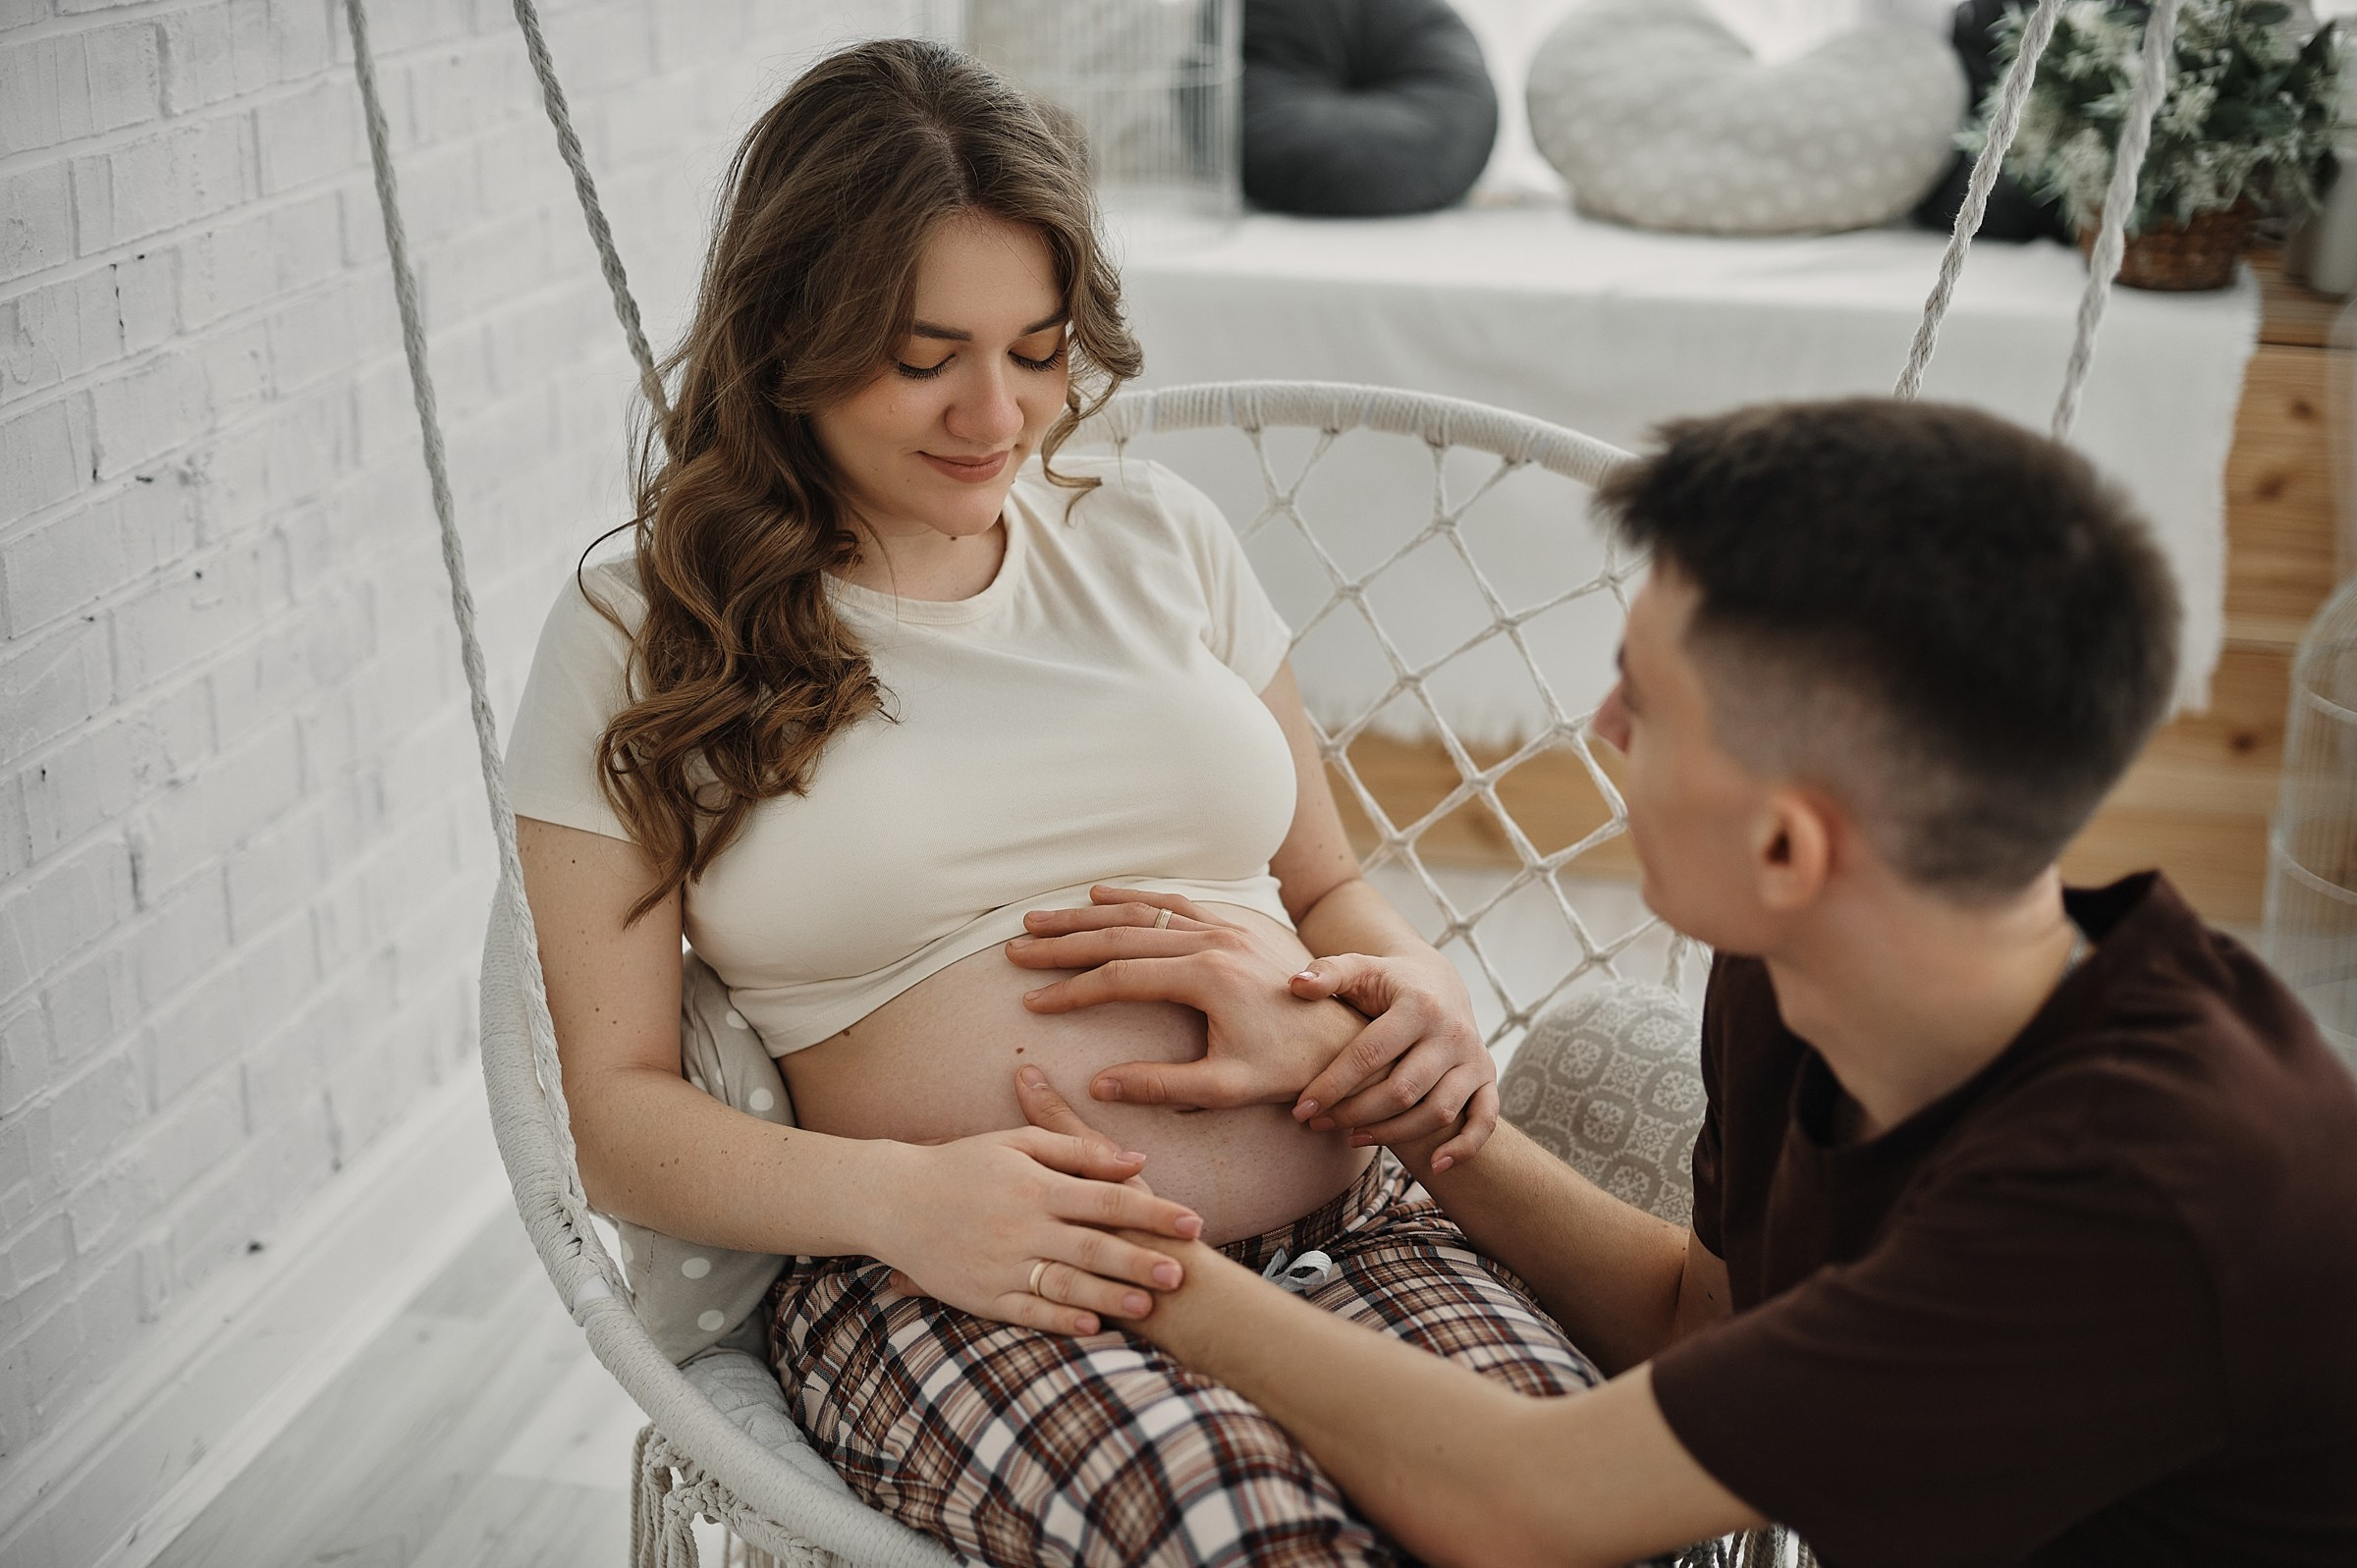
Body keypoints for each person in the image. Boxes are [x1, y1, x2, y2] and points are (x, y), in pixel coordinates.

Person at [506, 37, 1599, 1568]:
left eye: (1035, 348)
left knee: (1582, 1523)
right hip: (971, 1281)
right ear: (788, 339)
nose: (995, 415)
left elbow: (1333, 886)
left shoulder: (1156, 533)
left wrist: (1412, 992)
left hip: (1351, 1219)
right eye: (921, 353)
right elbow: (613, 1115)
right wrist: (899, 1203)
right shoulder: (645, 630)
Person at [1006, 399, 2357, 1566]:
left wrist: (1126, 1255)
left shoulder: (2140, 1198)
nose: (1600, 728)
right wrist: (1402, 1110)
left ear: (1787, 843)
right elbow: (1692, 1328)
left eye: (1643, 701)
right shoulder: (1796, 970)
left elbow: (1523, 1503)